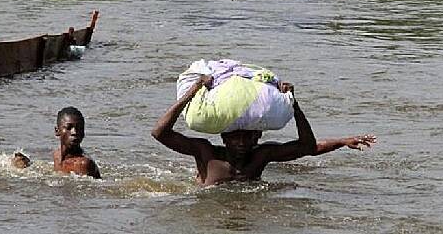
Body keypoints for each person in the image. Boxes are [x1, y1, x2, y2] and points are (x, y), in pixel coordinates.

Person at [151, 75, 376, 186]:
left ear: (257, 136)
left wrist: (293, 103)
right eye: (235, 138)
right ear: (223, 136)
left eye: (247, 137)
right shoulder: (206, 152)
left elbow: (308, 147)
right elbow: (159, 133)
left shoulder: (261, 155)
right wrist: (193, 90)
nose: (240, 143)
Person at [53, 106, 101, 178]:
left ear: (83, 133)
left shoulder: (82, 164)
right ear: (57, 131)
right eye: (69, 127)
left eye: (79, 128)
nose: (74, 132)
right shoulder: (57, 155)